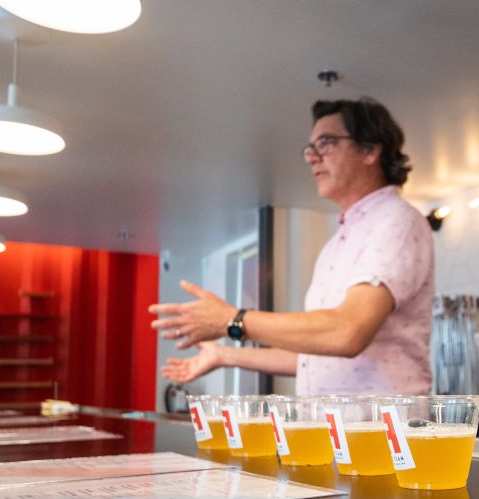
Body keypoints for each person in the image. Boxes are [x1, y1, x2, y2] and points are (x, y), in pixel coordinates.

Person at [149, 97, 434, 395]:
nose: (312, 157)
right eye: (310, 148)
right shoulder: (337, 243)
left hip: (381, 436)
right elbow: (316, 357)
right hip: (337, 434)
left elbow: (348, 331)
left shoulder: (395, 221)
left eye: (326, 143)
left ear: (370, 150)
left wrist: (232, 320)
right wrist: (225, 355)